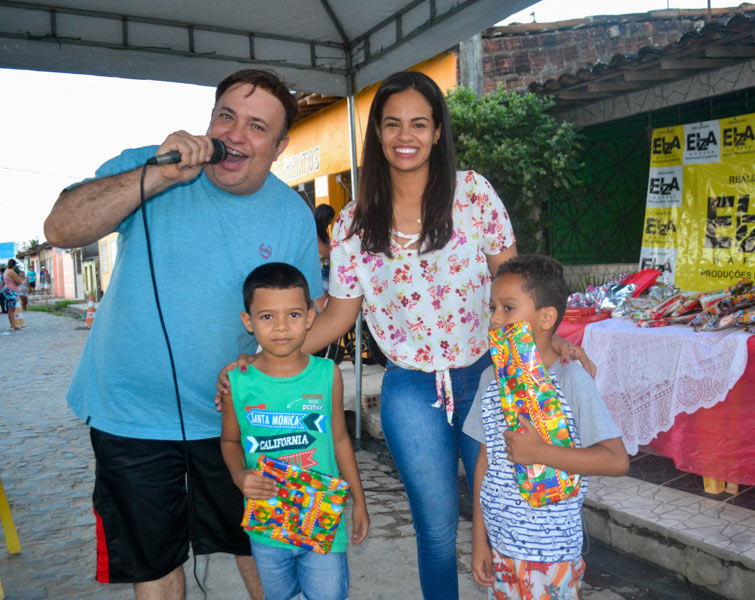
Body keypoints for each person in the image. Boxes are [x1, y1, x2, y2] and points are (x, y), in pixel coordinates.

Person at [216, 70, 593, 599]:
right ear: (378, 134)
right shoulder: (351, 223)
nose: (405, 136)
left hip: (492, 377)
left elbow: (517, 287)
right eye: (391, 124)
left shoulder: (474, 195)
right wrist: (262, 358)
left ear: (438, 132)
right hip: (411, 389)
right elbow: (339, 315)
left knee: (510, 510)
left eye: (419, 123)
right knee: (436, 530)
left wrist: (554, 343)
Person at [43, 68, 322, 600]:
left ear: (281, 145)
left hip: (237, 415)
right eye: (226, 117)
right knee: (156, 563)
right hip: (131, 412)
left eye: (257, 127)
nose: (234, 135)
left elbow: (301, 315)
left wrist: (266, 369)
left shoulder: (291, 214)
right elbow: (60, 229)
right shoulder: (152, 165)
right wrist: (158, 176)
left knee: (264, 549)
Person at [464, 254, 629, 599]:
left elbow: (616, 460)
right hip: (501, 546)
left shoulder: (571, 379)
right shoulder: (490, 379)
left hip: (550, 555)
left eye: (508, 308)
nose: (494, 319)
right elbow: (485, 460)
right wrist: (480, 540)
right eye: (492, 308)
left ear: (547, 317)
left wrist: (541, 453)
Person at [221, 262, 369, 600]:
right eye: (267, 317)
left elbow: (340, 439)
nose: (281, 327)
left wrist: (359, 500)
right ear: (249, 322)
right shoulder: (237, 381)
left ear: (310, 316)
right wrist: (239, 475)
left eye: (293, 315)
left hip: (322, 518)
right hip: (267, 525)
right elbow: (229, 441)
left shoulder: (327, 374)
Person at [314, 203, 336, 313]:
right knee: (324, 309)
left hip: (325, 271)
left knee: (326, 307)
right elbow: (324, 250)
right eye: (330, 219)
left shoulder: (322, 233)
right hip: (320, 272)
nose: (330, 222)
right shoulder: (314, 232)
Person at [3, 260, 22, 330]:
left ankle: (13, 325)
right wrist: (18, 281)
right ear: (14, 265)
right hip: (11, 291)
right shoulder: (11, 271)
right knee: (12, 309)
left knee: (10, 309)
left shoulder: (6, 270)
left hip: (7, 290)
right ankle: (13, 326)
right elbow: (18, 281)